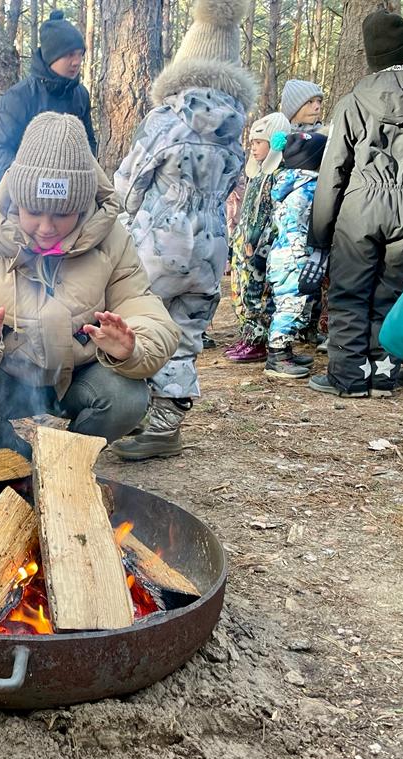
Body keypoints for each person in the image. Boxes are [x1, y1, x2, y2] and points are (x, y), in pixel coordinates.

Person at [0, 112, 180, 460]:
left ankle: (66, 462)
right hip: (8, 375)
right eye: (33, 211)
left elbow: (143, 306)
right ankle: (18, 462)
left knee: (128, 399)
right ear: (17, 201)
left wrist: (130, 347)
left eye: (62, 214)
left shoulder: (112, 242)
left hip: (80, 376)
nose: (46, 228)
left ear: (82, 208)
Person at [110, 0, 255, 460]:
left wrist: (118, 226)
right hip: (211, 241)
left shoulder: (168, 118)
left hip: (158, 239)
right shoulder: (235, 127)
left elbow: (130, 183)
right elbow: (235, 181)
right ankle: (166, 421)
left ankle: (126, 410)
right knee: (187, 329)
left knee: (137, 318)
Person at [307, 9, 403, 398]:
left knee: (350, 291)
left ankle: (348, 378)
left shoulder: (353, 101)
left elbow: (334, 168)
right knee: (392, 290)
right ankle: (383, 375)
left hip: (360, 204)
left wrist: (320, 231)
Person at [0, 10, 96, 190]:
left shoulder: (80, 95)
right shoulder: (19, 97)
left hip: (72, 197)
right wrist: (32, 182)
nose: (76, 61)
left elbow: (88, 144)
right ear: (51, 56)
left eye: (80, 54)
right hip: (23, 199)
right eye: (69, 55)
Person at [225, 111, 292, 363]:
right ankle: (247, 336)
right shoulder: (256, 173)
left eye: (259, 143)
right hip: (245, 242)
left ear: (276, 142)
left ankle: (259, 340)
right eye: (251, 143)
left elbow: (271, 215)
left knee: (259, 294)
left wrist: (261, 242)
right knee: (241, 293)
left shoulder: (278, 175)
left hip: (262, 247)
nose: (253, 148)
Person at [264, 131, 327, 379]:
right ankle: (276, 356)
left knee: (290, 303)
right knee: (291, 305)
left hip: (282, 253)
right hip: (296, 256)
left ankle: (285, 350)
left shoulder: (287, 182)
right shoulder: (310, 187)